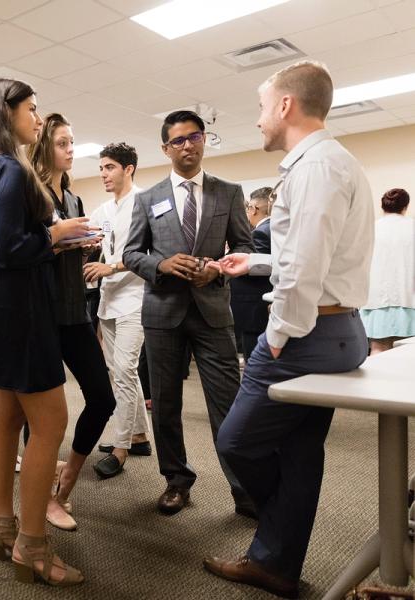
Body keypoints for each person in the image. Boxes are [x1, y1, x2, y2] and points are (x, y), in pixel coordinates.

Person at [205, 60, 374, 599]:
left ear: (285, 106)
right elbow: (313, 258)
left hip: (304, 336)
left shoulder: (314, 168)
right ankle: (275, 563)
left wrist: (277, 336)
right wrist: (253, 265)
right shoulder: (331, 161)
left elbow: (303, 272)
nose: (257, 120)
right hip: (336, 327)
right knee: (301, 450)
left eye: (260, 107)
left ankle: (274, 541)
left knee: (234, 441)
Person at [0, 78, 90, 586]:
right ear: (6, 111)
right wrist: (55, 234)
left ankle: (0, 525)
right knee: (50, 424)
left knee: (6, 416)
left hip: (0, 305)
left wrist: (46, 240)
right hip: (21, 307)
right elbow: (12, 249)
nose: (38, 119)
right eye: (31, 109)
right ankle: (33, 546)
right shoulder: (12, 168)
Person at [123, 109, 256, 518]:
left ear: (203, 140)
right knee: (164, 404)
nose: (187, 146)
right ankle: (176, 481)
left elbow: (246, 250)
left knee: (229, 405)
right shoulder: (148, 198)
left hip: (213, 310)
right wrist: (159, 266)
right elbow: (130, 253)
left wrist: (217, 267)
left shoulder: (228, 192)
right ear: (166, 148)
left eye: (194, 137)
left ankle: (246, 490)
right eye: (178, 140)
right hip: (163, 312)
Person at [28, 113, 115, 532]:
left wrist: (83, 245)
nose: (70, 150)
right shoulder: (33, 194)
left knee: (103, 398)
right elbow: (22, 254)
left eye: (72, 142)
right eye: (63, 142)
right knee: (43, 418)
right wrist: (59, 243)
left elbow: (66, 247)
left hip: (74, 311)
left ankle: (67, 480)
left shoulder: (74, 199)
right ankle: (43, 498)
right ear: (45, 146)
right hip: (41, 316)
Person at [84, 142, 152, 479]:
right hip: (108, 301)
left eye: (109, 167)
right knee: (122, 371)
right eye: (100, 168)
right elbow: (94, 238)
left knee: (125, 370)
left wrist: (111, 268)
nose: (103, 175)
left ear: (129, 168)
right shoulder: (104, 211)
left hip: (135, 299)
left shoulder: (146, 204)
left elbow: (151, 255)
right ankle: (139, 436)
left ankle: (121, 447)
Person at [361, 188, 415, 353]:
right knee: (408, 358)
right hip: (409, 303)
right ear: (405, 207)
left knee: (378, 353)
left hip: (375, 304)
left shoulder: (370, 229)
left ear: (382, 207)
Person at [229, 186, 274, 360]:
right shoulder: (276, 229)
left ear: (253, 209)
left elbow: (258, 268)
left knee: (255, 360)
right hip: (262, 307)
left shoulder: (260, 233)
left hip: (255, 309)